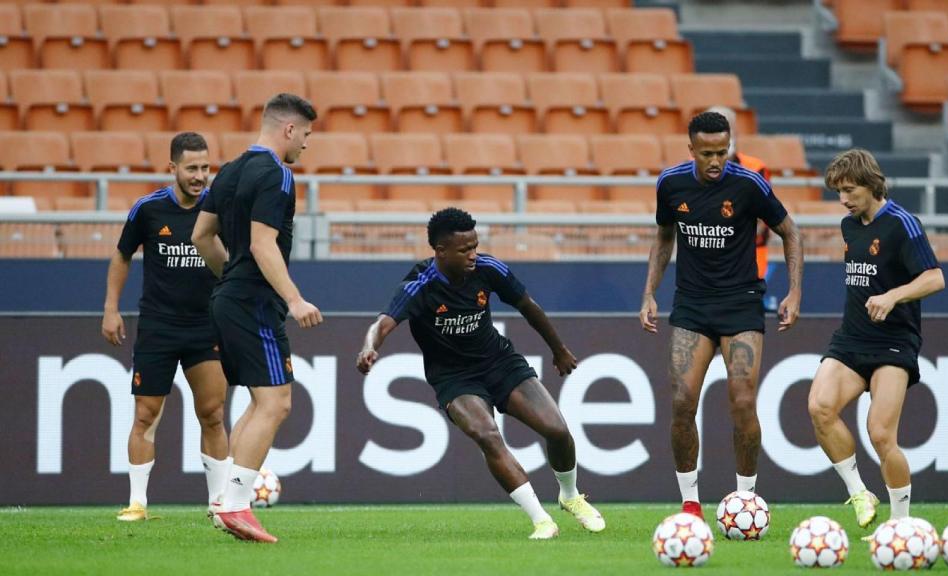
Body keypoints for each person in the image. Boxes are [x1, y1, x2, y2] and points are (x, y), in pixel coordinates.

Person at [356, 208, 605, 540]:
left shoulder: (488, 269)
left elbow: (528, 306)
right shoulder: (420, 286)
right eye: (464, 250)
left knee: (557, 430)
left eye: (475, 245)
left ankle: (570, 496)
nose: (473, 254)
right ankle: (541, 520)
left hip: (499, 362)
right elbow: (383, 323)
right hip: (454, 378)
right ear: (440, 251)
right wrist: (369, 347)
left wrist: (558, 350)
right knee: (488, 436)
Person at [640, 111, 804, 519]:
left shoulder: (748, 184)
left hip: (741, 302)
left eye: (723, 151)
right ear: (691, 148)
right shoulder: (670, 183)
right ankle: (690, 503)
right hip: (692, 304)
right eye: (708, 153)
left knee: (743, 401)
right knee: (681, 403)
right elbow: (664, 236)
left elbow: (790, 230)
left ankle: (746, 499)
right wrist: (648, 293)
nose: (717, 161)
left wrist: (795, 292)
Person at [192, 93, 322, 544]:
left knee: (260, 400)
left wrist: (230, 275)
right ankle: (237, 506)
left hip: (228, 297)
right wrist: (294, 299)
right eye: (305, 134)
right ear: (289, 129)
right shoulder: (278, 174)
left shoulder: (227, 172)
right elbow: (264, 244)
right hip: (254, 302)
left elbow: (201, 235)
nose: (306, 144)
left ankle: (226, 501)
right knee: (276, 402)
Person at [807, 149, 944, 531]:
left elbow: (935, 278)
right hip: (851, 339)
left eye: (849, 190)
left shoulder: (903, 223)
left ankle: (900, 525)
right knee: (819, 407)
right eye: (838, 192)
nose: (843, 199)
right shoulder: (849, 225)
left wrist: (892, 296)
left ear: (871, 184)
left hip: (893, 343)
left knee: (881, 435)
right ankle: (859, 492)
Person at [102, 132, 229, 522]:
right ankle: (137, 503)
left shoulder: (220, 209)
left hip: (205, 327)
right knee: (145, 414)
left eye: (205, 167)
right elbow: (122, 256)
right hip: (158, 327)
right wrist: (111, 308)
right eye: (192, 168)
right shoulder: (148, 209)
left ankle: (219, 505)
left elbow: (234, 262)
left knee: (212, 413)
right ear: (172, 167)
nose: (200, 175)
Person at [706, 105, 773, 281]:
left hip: (750, 259)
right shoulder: (689, 169)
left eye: (726, 127)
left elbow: (764, 218)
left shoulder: (755, 168)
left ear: (735, 131)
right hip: (706, 260)